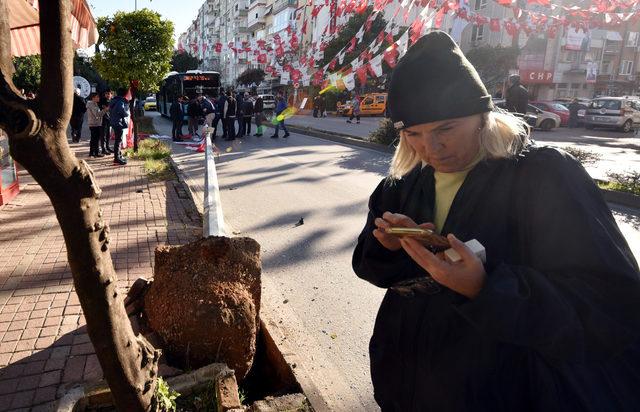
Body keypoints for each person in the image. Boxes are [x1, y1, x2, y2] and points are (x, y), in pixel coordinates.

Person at [352, 31, 640, 411]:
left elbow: (611, 304)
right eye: (413, 134)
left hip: (510, 391)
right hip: (407, 387)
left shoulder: (545, 177)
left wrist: (486, 288)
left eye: (446, 129)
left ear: (482, 116)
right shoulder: (401, 185)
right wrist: (386, 247)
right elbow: (368, 267)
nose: (430, 149)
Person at [109, 88, 129, 166]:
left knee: (117, 140)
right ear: (124, 94)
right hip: (118, 123)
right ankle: (117, 158)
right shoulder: (120, 101)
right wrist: (126, 114)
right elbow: (121, 111)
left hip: (114, 122)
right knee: (118, 141)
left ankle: (119, 156)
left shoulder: (114, 100)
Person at [86, 93, 105, 158]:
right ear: (93, 98)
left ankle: (93, 153)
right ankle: (94, 153)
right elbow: (97, 114)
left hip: (95, 124)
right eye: (97, 97)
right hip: (94, 124)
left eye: (98, 97)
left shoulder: (94, 104)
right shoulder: (91, 104)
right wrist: (105, 110)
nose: (98, 98)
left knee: (94, 139)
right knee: (95, 139)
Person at [99, 90, 113, 155]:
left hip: (110, 120)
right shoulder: (102, 100)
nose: (108, 95)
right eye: (106, 94)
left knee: (108, 134)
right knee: (103, 135)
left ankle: (108, 147)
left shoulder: (112, 101)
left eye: (109, 94)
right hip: (103, 119)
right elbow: (104, 109)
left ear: (111, 94)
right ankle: (103, 149)